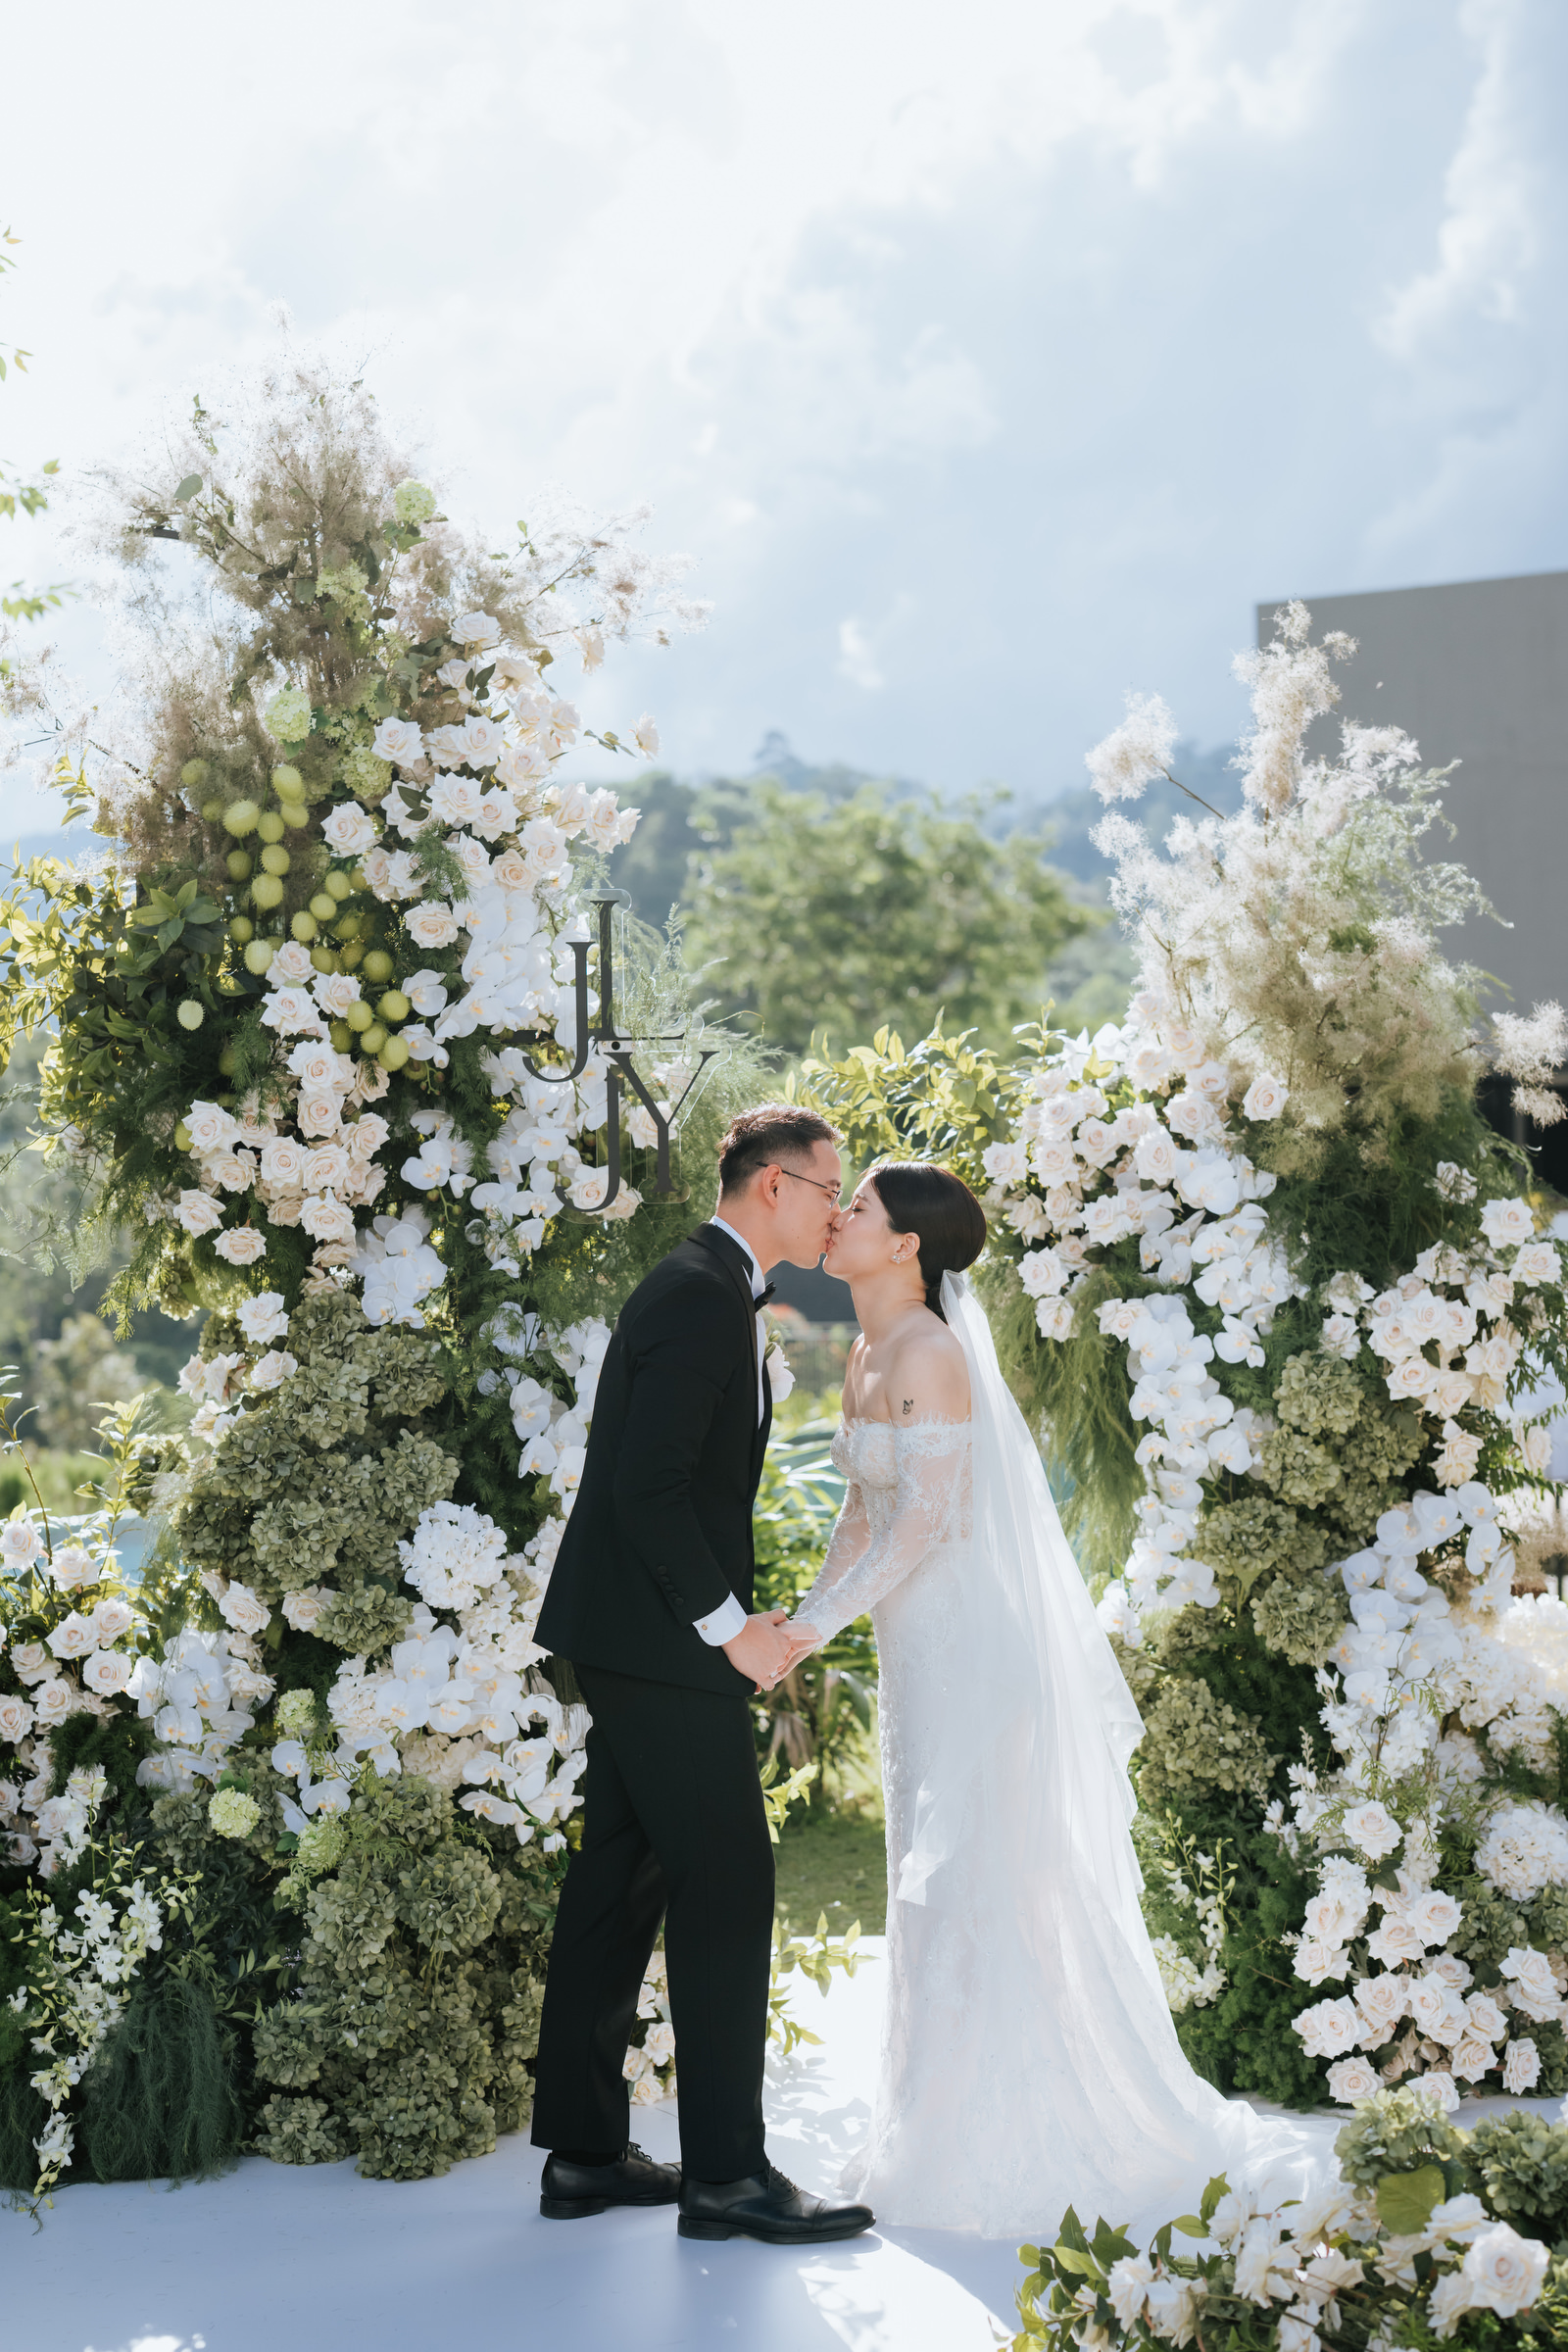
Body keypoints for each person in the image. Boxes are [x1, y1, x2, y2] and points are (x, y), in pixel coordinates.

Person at [777, 1161, 1318, 2238]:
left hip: (977, 1662)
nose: (836, 1218)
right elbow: (859, 1516)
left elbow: (925, 1525)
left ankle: (1024, 2135)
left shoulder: (928, 1351)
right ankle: (929, 2122)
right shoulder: (866, 1352)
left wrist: (816, 1627)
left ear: (905, 1249)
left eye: (862, 1210)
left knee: (992, 1885)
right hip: (916, 1667)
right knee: (929, 1889)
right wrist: (794, 1624)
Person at [529, 1104, 877, 2246]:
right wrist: (733, 1630)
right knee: (727, 1886)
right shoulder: (696, 1294)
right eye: (831, 1189)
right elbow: (649, 1487)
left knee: (622, 1878)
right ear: (773, 1184)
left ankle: (583, 2156)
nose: (838, 1210)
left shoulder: (714, 1288)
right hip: (662, 1645)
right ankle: (724, 2176)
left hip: (635, 1636)